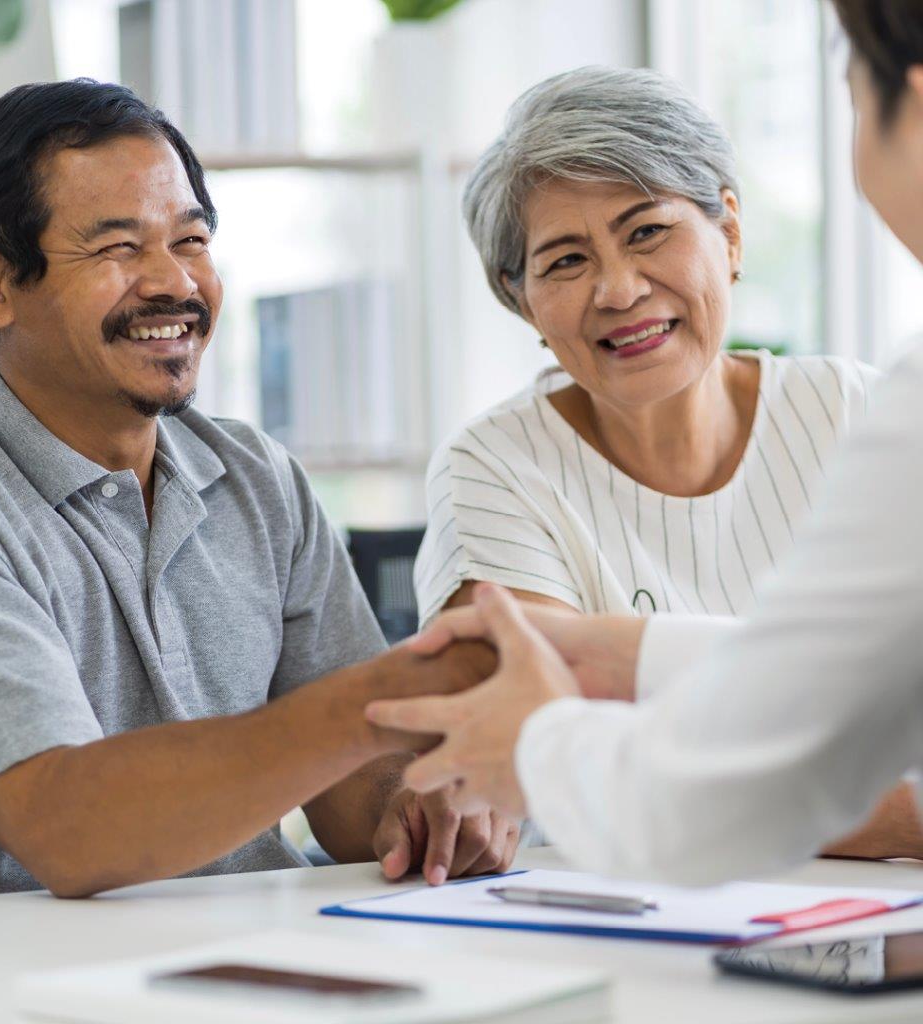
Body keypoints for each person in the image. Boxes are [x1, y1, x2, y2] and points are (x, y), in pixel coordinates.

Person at [0, 79, 518, 901]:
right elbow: (68, 827)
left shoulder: (257, 479)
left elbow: (352, 795)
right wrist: (381, 694)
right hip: (12, 985)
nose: (175, 284)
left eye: (190, 241)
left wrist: (417, 801)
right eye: (119, 249)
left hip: (247, 956)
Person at [367, 0, 923, 886]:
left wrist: (591, 685)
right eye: (564, 261)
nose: (619, 290)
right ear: (523, 306)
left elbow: (730, 790)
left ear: (730, 233)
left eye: (649, 231)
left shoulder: (870, 408)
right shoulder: (496, 464)